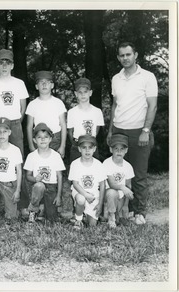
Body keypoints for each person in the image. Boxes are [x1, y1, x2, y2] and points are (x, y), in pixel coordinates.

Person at [107, 42, 158, 225]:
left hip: (139, 131)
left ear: (135, 54)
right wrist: (111, 129)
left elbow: (152, 106)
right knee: (119, 172)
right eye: (121, 55)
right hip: (119, 130)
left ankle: (139, 212)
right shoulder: (116, 78)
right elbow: (115, 105)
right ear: (118, 57)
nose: (125, 58)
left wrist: (146, 130)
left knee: (138, 174)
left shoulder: (147, 77)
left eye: (128, 54)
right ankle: (122, 210)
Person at [0, 48, 29, 218]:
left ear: (12, 65)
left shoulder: (18, 83)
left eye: (7, 63)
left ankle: (22, 204)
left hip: (15, 124)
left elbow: (23, 106)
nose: (4, 66)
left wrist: (15, 122)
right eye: (1, 62)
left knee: (18, 163)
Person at [23, 123, 65, 223]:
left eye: (46, 137)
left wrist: (58, 195)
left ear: (50, 139)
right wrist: (34, 179)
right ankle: (33, 211)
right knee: (39, 186)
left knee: (52, 220)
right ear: (34, 140)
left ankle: (43, 210)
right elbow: (27, 176)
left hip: (52, 187)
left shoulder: (56, 156)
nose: (43, 140)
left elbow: (59, 176)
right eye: (39, 137)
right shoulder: (31, 156)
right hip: (37, 186)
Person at [68, 135, 106, 230]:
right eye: (84, 147)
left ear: (94, 149)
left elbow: (102, 185)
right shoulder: (75, 164)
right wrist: (86, 195)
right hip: (80, 192)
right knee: (80, 199)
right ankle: (78, 220)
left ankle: (85, 214)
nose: (87, 150)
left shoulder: (98, 164)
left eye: (90, 147)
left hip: (93, 196)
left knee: (92, 225)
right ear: (79, 149)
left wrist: (100, 204)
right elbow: (75, 184)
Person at [26, 71, 67, 156]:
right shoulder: (32, 104)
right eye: (41, 82)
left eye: (47, 82)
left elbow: (63, 124)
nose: (44, 85)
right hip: (39, 138)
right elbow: (29, 126)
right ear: (37, 86)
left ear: (52, 85)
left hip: (55, 138)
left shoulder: (58, 103)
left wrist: (62, 146)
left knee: (55, 165)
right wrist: (31, 145)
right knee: (40, 166)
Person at [67, 77, 104, 163]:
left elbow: (97, 129)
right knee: (76, 172)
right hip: (77, 146)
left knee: (94, 172)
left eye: (85, 92)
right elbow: (70, 131)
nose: (83, 95)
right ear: (76, 94)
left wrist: (90, 140)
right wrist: (76, 144)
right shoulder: (72, 112)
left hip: (92, 145)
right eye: (80, 92)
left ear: (90, 93)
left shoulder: (97, 111)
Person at [102, 133, 135, 228]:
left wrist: (125, 205)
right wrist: (122, 187)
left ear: (126, 150)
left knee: (121, 219)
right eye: (116, 148)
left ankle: (116, 215)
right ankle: (111, 216)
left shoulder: (128, 166)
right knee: (112, 193)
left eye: (122, 149)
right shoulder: (107, 163)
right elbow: (111, 184)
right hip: (108, 195)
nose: (119, 152)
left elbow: (128, 187)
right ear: (111, 149)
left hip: (121, 196)